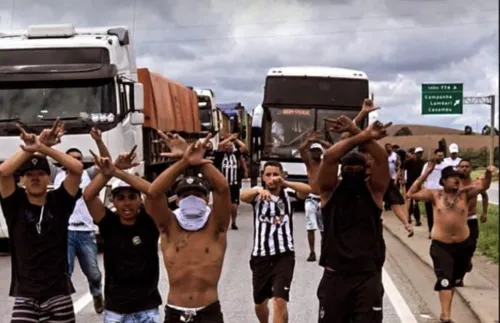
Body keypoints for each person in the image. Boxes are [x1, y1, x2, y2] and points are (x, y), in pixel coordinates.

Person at [0, 123, 83, 322]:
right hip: (26, 296)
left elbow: (77, 168)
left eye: (40, 174)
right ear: (22, 180)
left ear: (49, 178)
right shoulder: (14, 203)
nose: (35, 178)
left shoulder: (60, 201)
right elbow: (4, 172)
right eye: (29, 175)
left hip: (59, 294)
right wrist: (31, 149)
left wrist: (44, 148)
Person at [316, 111, 391, 323]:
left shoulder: (374, 191)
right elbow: (330, 156)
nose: (354, 173)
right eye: (349, 169)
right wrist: (361, 134)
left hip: (367, 277)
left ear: (366, 172)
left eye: (359, 169)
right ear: (342, 170)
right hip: (335, 275)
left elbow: (381, 158)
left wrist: (356, 131)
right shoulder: (329, 191)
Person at [146, 133, 230, 322]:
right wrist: (184, 162)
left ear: (207, 199)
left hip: (208, 312)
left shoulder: (217, 226)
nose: (192, 198)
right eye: (186, 194)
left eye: (197, 194)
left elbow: (223, 189)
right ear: (177, 200)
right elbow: (153, 193)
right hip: (176, 312)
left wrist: (199, 162)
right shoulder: (168, 225)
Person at [407, 162, 495, 323]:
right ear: (443, 180)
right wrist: (426, 173)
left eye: (459, 178)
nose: (457, 180)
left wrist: (488, 175)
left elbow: (484, 186)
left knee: (453, 281)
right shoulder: (435, 195)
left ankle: (446, 308)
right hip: (441, 246)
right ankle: (446, 316)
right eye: (453, 177)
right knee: (445, 280)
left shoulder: (465, 195)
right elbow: (411, 193)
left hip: (463, 246)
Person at [82, 148, 162, 322]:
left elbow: (155, 192)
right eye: (121, 198)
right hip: (116, 310)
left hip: (147, 309)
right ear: (113, 201)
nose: (127, 203)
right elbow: (88, 196)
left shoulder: (149, 223)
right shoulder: (108, 223)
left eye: (132, 197)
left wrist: (119, 173)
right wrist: (110, 171)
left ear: (139, 200)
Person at [240, 161, 312, 323]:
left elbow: (307, 190)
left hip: (284, 255)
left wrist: (285, 183)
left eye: (276, 174)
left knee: (279, 300)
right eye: (268, 175)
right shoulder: (257, 197)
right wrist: (258, 190)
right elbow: (243, 197)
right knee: (260, 303)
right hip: (261, 256)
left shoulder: (289, 196)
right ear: (263, 177)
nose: (272, 178)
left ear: (282, 175)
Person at [46, 126, 108, 314]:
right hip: (64, 233)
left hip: (86, 232)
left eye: (79, 159)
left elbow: (107, 163)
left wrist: (98, 141)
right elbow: (39, 157)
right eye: (71, 158)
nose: (75, 161)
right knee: (65, 272)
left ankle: (97, 294)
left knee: (94, 273)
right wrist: (47, 144)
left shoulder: (88, 176)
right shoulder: (57, 175)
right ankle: (61, 305)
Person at [298, 131, 331, 262]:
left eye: (318, 151)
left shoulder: (326, 163)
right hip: (311, 199)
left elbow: (332, 149)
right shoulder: (309, 163)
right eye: (313, 151)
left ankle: (324, 252)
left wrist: (321, 142)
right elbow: (301, 149)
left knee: (323, 229)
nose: (315, 153)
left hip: (322, 199)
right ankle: (312, 252)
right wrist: (309, 140)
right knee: (310, 227)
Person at [455, 159, 489, 286]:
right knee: (458, 250)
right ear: (458, 168)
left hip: (471, 219)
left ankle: (467, 261)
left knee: (471, 246)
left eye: (467, 166)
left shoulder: (476, 183)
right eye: (462, 166)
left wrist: (484, 212)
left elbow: (484, 195)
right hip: (457, 221)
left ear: (471, 168)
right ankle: (459, 277)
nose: (464, 169)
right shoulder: (455, 184)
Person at [213, 134, 247, 230]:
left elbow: (243, 147)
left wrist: (235, 139)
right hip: (223, 183)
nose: (228, 147)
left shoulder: (235, 155)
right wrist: (230, 139)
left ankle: (234, 222)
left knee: (234, 203)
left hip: (234, 183)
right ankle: (221, 222)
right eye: (227, 146)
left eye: (230, 146)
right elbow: (220, 145)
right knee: (222, 203)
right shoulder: (220, 155)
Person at [421, 148, 450, 238]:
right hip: (430, 191)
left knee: (441, 211)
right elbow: (423, 177)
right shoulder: (428, 165)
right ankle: (431, 230)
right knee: (430, 212)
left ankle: (441, 230)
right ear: (435, 155)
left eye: (442, 156)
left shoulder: (446, 165)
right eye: (438, 156)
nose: (440, 157)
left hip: (441, 192)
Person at [402, 147, 426, 226]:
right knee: (410, 201)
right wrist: (403, 179)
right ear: (415, 154)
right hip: (409, 183)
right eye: (418, 153)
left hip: (417, 184)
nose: (420, 154)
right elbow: (403, 169)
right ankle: (410, 217)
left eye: (421, 153)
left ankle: (416, 219)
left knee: (416, 202)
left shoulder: (422, 163)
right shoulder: (409, 162)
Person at [384, 142, 400, 210]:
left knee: (394, 190)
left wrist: (397, 167)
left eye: (390, 147)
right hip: (385, 176)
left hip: (394, 176)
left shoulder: (395, 155)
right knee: (386, 191)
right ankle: (387, 204)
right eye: (387, 147)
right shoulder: (383, 155)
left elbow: (399, 164)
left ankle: (394, 204)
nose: (389, 148)